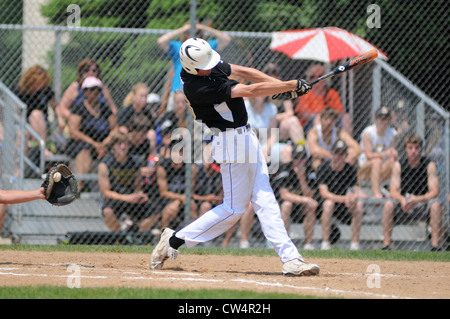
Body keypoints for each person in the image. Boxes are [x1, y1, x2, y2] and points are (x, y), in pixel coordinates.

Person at [150, 37, 319, 276]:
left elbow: (244, 72)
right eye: (205, 65)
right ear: (192, 68)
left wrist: (280, 86)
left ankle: (291, 258)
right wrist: (288, 86)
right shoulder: (197, 87)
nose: (212, 66)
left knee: (266, 200)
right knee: (233, 210)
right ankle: (174, 241)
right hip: (230, 143)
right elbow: (250, 90)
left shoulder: (205, 65)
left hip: (247, 138)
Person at [381, 134, 442, 251]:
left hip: (422, 203)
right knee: (388, 204)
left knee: (435, 205)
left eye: (417, 148)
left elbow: (434, 192)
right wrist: (402, 199)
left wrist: (417, 199)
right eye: (410, 148)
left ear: (421, 149)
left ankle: (435, 246)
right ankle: (386, 245)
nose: (414, 151)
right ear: (405, 149)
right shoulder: (399, 165)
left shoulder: (429, 165)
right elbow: (393, 191)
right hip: (404, 204)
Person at [157, 22, 231, 112]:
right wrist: (183, 29)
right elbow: (161, 41)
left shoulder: (206, 48)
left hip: (199, 90)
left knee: (198, 120)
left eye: (197, 33)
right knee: (173, 119)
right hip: (179, 91)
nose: (192, 35)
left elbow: (226, 39)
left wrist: (204, 27)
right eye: (189, 32)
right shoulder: (179, 47)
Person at [98, 132, 160, 232]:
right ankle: (120, 239)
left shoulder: (134, 163)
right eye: (119, 144)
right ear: (113, 147)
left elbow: (137, 185)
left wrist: (139, 194)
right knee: (107, 211)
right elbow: (106, 192)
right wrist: (127, 198)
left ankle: (137, 235)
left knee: (156, 211)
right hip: (115, 198)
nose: (123, 147)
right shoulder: (105, 164)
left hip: (131, 197)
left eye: (125, 144)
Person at [65, 77, 118, 186]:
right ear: (84, 91)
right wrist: (94, 144)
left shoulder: (105, 108)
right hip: (81, 143)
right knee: (85, 150)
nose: (94, 92)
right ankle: (79, 185)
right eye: (90, 89)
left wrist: (104, 143)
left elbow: (115, 128)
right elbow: (74, 132)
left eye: (97, 89)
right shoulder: (78, 108)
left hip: (102, 143)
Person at [318, 139, 365, 250]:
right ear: (331, 153)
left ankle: (355, 244)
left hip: (344, 206)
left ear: (346, 155)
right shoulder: (323, 168)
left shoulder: (350, 169)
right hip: (325, 206)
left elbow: (356, 189)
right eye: (336, 153)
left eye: (342, 153)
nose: (339, 157)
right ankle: (325, 243)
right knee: (329, 204)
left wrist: (353, 197)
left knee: (358, 205)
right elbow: (324, 193)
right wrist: (344, 198)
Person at [272, 144, 319, 250]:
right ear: (292, 158)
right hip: (288, 205)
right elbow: (284, 195)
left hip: (302, 207)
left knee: (310, 207)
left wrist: (301, 177)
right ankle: (283, 242)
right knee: (287, 205)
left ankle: (308, 243)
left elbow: (310, 194)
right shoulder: (285, 168)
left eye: (302, 158)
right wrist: (306, 199)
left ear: (306, 159)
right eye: (296, 157)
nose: (299, 161)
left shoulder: (310, 170)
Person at [14, 65, 62, 157]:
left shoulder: (45, 90)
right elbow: (14, 113)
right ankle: (18, 167)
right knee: (22, 133)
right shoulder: (19, 90)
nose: (39, 86)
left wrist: (60, 119)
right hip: (23, 124)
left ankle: (42, 148)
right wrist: (25, 125)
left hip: (41, 124)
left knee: (36, 114)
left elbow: (55, 106)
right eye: (37, 83)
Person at [295, 63, 353, 136]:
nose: (317, 79)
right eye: (313, 76)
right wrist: (322, 117)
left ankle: (344, 143)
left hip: (332, 121)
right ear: (309, 79)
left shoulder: (332, 93)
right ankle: (320, 142)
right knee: (318, 118)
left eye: (320, 76)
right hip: (311, 124)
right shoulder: (305, 94)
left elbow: (339, 111)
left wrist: (329, 117)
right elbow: (304, 114)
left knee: (346, 117)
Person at [156, 139, 198, 230]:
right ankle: (163, 236)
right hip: (167, 200)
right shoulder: (163, 167)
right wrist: (179, 199)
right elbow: (163, 193)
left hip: (184, 199)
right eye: (175, 152)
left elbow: (191, 190)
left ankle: (193, 236)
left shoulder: (191, 168)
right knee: (169, 210)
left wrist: (179, 201)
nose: (178, 155)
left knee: (192, 206)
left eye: (181, 152)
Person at [58, 58, 117, 123]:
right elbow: (62, 108)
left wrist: (111, 119)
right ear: (81, 73)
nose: (91, 73)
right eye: (86, 70)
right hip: (80, 124)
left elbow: (112, 107)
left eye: (94, 71)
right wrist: (73, 118)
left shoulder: (102, 87)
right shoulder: (75, 86)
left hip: (101, 124)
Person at [358, 106, 397, 199]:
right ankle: (377, 193)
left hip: (382, 169)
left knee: (394, 162)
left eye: (386, 119)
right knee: (377, 161)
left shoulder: (392, 133)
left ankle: (394, 191)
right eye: (381, 119)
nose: (383, 122)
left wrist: (394, 153)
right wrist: (384, 154)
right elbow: (368, 155)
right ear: (376, 119)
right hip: (365, 168)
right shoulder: (368, 133)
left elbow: (392, 152)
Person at [119, 83, 157, 155]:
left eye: (145, 96)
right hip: (130, 139)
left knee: (152, 134)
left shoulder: (147, 113)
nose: (144, 99)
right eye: (141, 96)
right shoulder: (127, 111)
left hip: (143, 140)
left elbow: (152, 129)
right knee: (123, 131)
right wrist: (133, 135)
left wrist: (142, 136)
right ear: (134, 97)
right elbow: (122, 128)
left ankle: (151, 160)